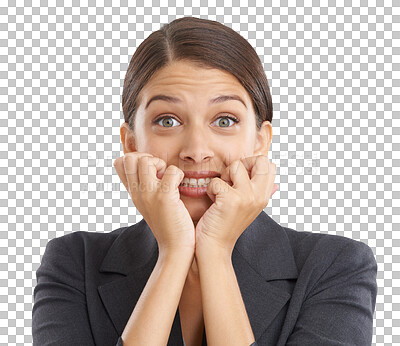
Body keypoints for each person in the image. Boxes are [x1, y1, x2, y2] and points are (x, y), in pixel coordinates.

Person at [32, 16, 378, 346]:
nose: (196, 151)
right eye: (167, 121)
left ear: (260, 141)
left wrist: (215, 252)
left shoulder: (336, 266)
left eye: (224, 120)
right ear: (131, 143)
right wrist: (173, 253)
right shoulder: (74, 262)